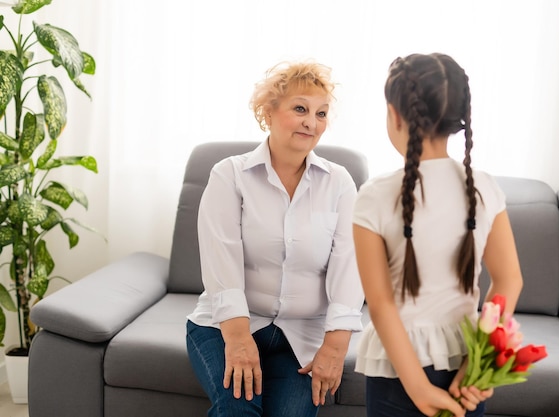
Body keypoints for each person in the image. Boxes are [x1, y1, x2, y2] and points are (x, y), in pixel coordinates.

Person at [186, 60, 365, 417]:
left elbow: (351, 267)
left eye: (321, 113)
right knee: (238, 410)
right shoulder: (229, 175)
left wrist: (335, 344)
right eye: (300, 108)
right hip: (226, 326)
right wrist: (237, 340)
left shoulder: (340, 182)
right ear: (268, 112)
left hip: (301, 335)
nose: (311, 122)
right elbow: (221, 261)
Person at [352, 53, 524, 417]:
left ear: (395, 114)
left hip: (397, 370)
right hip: (466, 367)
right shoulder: (484, 188)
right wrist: (476, 366)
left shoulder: (374, 195)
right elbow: (509, 280)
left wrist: (417, 387)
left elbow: (380, 304)